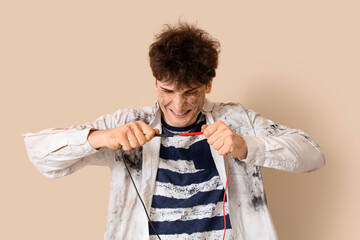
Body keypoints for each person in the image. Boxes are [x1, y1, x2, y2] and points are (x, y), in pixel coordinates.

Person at [23, 22, 325, 240]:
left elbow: (313, 155)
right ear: (155, 82)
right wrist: (103, 138)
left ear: (208, 84)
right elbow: (39, 153)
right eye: (167, 90)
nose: (178, 104)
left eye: (191, 91)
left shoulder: (237, 120)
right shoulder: (129, 122)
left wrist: (246, 146)